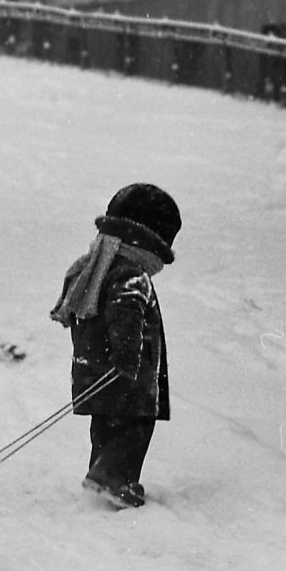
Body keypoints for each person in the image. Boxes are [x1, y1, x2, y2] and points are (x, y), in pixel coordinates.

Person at [51, 183, 181, 508]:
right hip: (125, 375)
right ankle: (114, 480)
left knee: (106, 426)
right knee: (133, 428)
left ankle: (101, 473)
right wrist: (126, 356)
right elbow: (126, 315)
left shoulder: (94, 267)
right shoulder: (130, 275)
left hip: (94, 369)